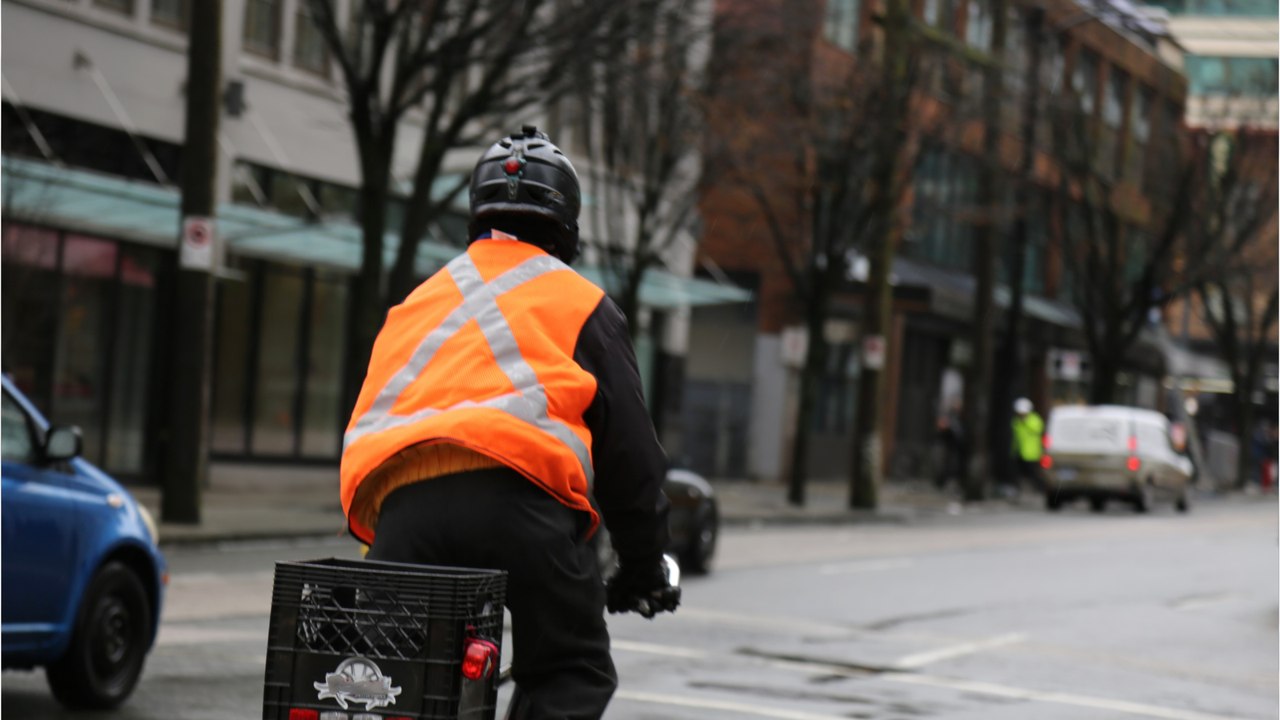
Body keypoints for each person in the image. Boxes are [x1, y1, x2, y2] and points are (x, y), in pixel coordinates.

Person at [339, 126, 678, 720]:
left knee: (396, 686)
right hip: (520, 508)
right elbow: (632, 460)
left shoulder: (419, 299)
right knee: (570, 669)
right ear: (567, 227)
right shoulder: (583, 305)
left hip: (402, 514)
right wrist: (645, 567)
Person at [1011, 397, 1045, 493]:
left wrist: (1024, 422)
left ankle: (1040, 490)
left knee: (1034, 474)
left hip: (1032, 454)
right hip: (1020, 452)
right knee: (1019, 474)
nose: (1021, 415)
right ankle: (1021, 491)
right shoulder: (1016, 421)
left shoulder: (1035, 420)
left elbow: (1038, 429)